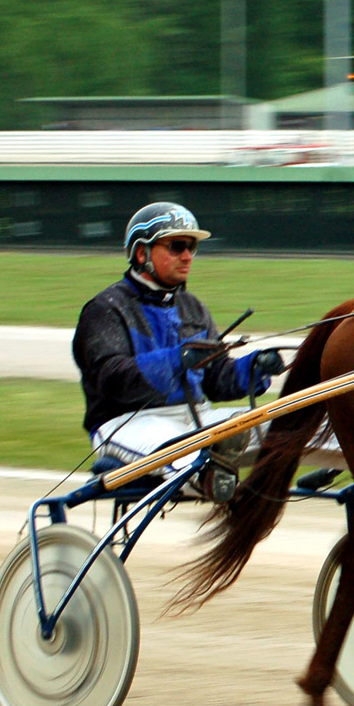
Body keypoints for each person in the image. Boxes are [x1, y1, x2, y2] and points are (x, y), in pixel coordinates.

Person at [72, 201, 286, 500]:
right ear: (141, 253)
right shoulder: (105, 309)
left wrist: (254, 368)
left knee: (288, 428)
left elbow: (214, 380)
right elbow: (111, 380)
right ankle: (213, 476)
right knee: (187, 450)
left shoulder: (193, 308)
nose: (187, 256)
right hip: (127, 423)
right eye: (176, 246)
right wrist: (177, 360)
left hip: (196, 417)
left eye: (191, 248)